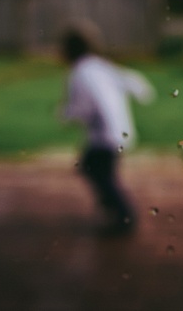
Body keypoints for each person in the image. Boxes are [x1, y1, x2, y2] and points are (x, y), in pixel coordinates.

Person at [60, 21, 155, 234]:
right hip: (117, 130)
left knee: (97, 171)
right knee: (97, 170)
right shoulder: (98, 65)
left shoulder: (80, 72)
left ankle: (123, 215)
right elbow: (130, 80)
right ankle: (112, 210)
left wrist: (67, 114)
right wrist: (142, 91)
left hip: (105, 134)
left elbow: (83, 105)